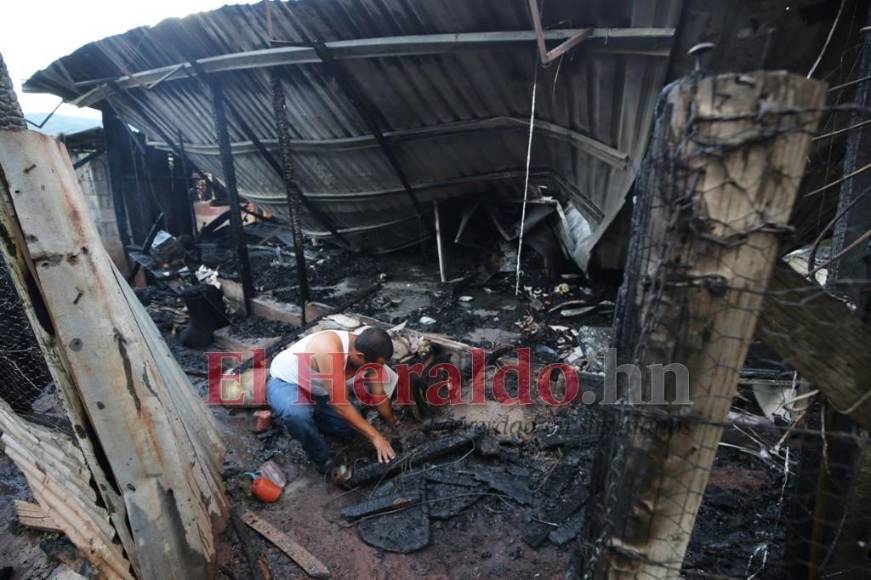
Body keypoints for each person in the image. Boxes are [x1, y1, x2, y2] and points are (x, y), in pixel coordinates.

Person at [267, 326, 398, 471]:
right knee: (297, 414)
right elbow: (340, 405)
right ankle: (321, 458)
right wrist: (376, 437)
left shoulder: (369, 350)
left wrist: (393, 422)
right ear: (359, 356)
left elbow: (378, 394)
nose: (378, 369)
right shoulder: (330, 348)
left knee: (349, 430)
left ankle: (312, 418)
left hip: (320, 392)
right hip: (288, 382)